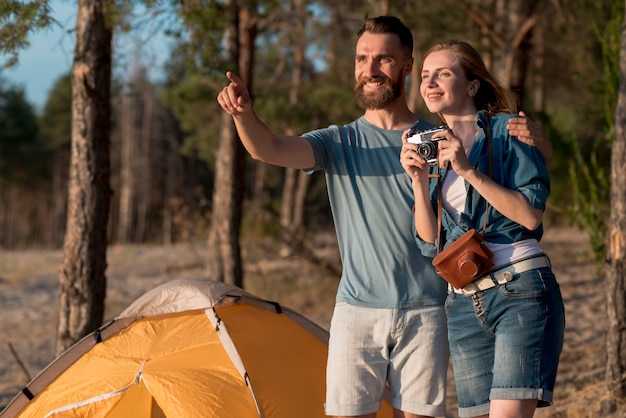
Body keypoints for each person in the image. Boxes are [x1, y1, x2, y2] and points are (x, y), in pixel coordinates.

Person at [218, 16, 550, 418]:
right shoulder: (338, 141)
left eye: (383, 59)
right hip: (356, 310)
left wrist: (539, 141)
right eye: (362, 59)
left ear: (407, 66)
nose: (370, 69)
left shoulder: (443, 137)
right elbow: (267, 148)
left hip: (431, 309)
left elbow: (511, 180)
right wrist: (243, 114)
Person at [400, 39, 565, 418]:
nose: (430, 82)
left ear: (472, 85)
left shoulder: (509, 131)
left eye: (443, 73)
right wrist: (417, 179)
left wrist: (468, 170)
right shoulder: (432, 150)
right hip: (462, 304)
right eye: (425, 75)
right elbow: (429, 243)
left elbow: (530, 216)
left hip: (519, 292)